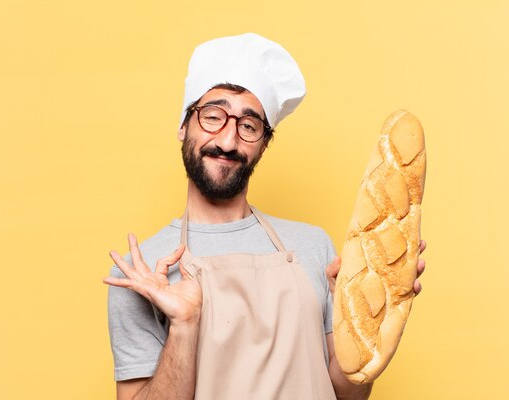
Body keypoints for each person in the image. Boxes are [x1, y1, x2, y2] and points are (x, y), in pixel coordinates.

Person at [104, 33, 426, 400]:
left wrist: (370, 325)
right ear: (183, 125)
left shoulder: (314, 247)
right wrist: (184, 325)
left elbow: (345, 394)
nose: (227, 141)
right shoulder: (141, 273)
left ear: (264, 143)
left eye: (249, 125)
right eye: (212, 116)